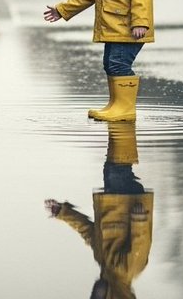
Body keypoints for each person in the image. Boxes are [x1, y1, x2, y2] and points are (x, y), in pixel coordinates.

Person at [45, 122, 154, 299]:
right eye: (97, 297)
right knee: (116, 167)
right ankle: (122, 123)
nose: (93, 293)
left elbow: (88, 231)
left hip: (113, 200)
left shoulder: (103, 262)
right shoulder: (129, 269)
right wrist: (139, 220)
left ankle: (121, 124)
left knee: (114, 166)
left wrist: (63, 213)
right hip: (128, 203)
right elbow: (140, 244)